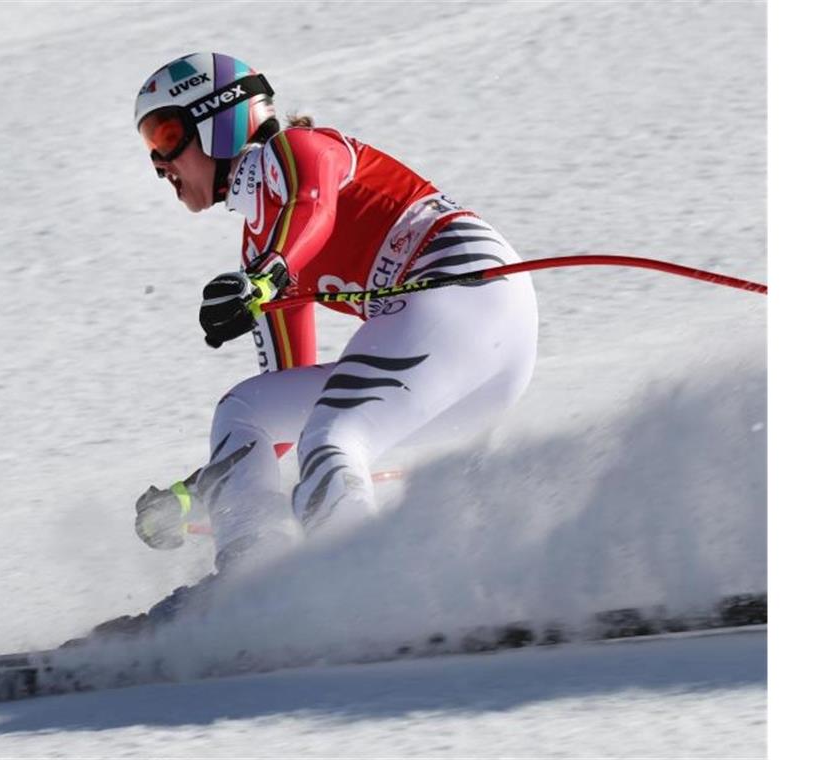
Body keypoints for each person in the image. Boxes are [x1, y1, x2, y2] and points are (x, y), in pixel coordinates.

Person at [120, 52, 539, 627]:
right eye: (150, 144)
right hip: (453, 356)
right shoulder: (259, 246)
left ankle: (370, 593)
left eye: (165, 135)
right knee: (247, 410)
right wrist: (200, 491)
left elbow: (311, 207)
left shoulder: (297, 151)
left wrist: (267, 277)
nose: (159, 163)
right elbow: (276, 426)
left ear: (223, 118)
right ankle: (251, 581)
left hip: (465, 294)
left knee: (332, 438)